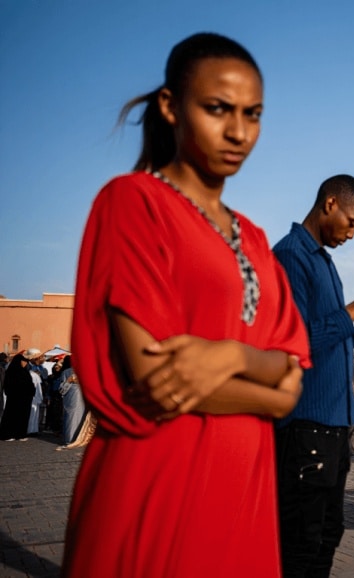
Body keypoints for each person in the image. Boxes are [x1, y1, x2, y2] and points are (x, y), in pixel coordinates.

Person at [62, 33, 310, 578]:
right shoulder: (132, 203)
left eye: (253, 114)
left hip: (244, 494)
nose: (239, 132)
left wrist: (228, 357)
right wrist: (268, 389)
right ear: (172, 107)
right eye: (217, 109)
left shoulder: (253, 238)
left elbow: (293, 378)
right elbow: (158, 380)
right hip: (158, 484)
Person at [273, 173, 354, 577]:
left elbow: (336, 340)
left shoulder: (324, 262)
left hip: (332, 426)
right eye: (352, 221)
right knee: (303, 542)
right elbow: (291, 341)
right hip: (305, 426)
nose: (352, 233)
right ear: (330, 203)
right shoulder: (291, 256)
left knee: (328, 533)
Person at [0, 353, 35, 441]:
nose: (25, 363)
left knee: (23, 416)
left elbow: (30, 384)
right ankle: (8, 434)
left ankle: (20, 434)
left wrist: (30, 392)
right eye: (23, 361)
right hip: (14, 399)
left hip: (25, 399)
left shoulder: (25, 372)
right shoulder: (11, 372)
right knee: (11, 415)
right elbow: (8, 385)